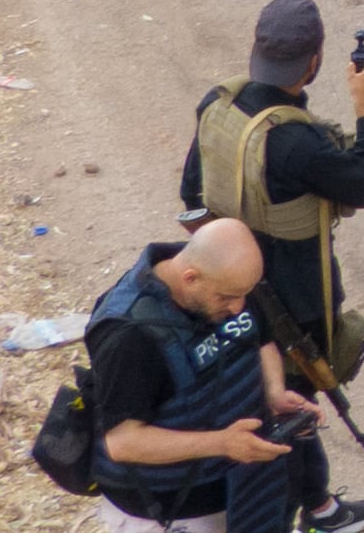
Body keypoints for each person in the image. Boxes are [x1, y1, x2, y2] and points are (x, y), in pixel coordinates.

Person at [177, 0, 364, 518]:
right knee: (292, 410)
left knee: (276, 401)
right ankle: (301, 512)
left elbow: (191, 193)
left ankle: (317, 507)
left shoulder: (218, 104)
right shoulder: (298, 142)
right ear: (314, 63)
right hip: (296, 300)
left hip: (228, 282)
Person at [77, 220, 342, 533]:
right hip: (171, 511)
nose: (238, 307)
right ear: (190, 278)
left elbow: (261, 337)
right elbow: (123, 442)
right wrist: (222, 443)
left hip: (245, 493)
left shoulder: (227, 281)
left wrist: (273, 393)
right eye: (228, 298)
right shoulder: (130, 336)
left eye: (244, 295)